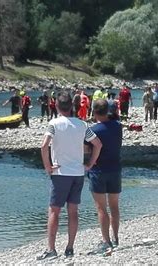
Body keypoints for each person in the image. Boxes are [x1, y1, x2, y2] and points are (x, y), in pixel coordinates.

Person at [39, 92, 102, 260]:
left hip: (60, 173)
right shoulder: (82, 124)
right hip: (78, 173)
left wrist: (47, 167)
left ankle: (51, 249)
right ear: (72, 107)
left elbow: (43, 146)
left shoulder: (54, 123)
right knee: (73, 211)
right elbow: (98, 144)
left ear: (57, 106)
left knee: (54, 211)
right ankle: (69, 247)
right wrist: (90, 164)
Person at [87, 99, 123, 254]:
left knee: (101, 208)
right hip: (115, 169)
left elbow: (87, 152)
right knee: (114, 206)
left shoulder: (93, 130)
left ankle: (106, 241)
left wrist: (86, 164)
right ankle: (115, 238)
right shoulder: (118, 127)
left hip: (98, 171)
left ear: (94, 111)